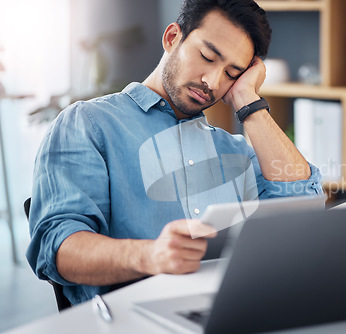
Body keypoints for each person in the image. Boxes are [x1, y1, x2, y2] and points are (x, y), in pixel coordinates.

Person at [27, 0, 323, 306]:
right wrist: (149, 256)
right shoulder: (89, 123)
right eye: (207, 57)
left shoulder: (234, 149)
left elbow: (304, 204)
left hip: (229, 310)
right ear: (172, 38)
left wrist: (249, 100)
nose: (213, 82)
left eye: (231, 73)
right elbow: (55, 247)